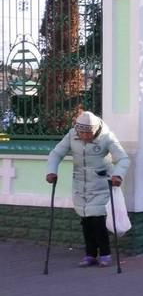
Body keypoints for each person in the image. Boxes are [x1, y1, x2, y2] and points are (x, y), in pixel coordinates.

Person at [45, 110, 130, 267]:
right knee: (86, 220)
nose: (84, 136)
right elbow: (56, 154)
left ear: (95, 130)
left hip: (101, 184)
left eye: (88, 133)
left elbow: (123, 159)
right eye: (81, 132)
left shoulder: (106, 137)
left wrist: (118, 175)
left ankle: (105, 254)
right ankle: (90, 254)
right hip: (80, 185)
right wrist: (52, 171)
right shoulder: (72, 135)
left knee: (98, 220)